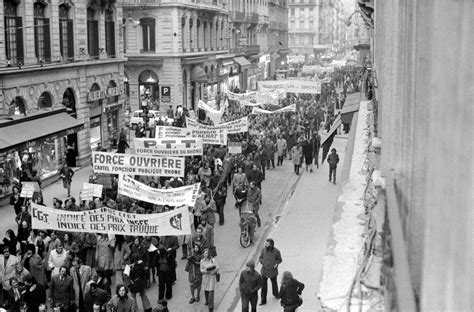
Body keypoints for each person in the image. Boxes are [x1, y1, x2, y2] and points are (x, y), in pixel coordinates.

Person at [259, 238, 282, 305]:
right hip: (264, 271)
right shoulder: (263, 250)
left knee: (274, 283)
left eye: (267, 244)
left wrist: (276, 264)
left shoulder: (276, 251)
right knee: (263, 286)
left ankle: (276, 294)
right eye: (265, 243)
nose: (265, 245)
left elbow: (280, 259)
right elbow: (260, 257)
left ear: (271, 244)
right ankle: (263, 300)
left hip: (272, 271)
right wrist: (262, 261)